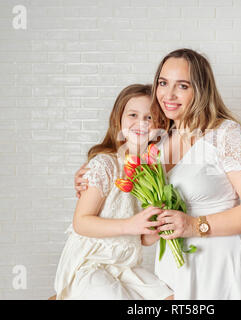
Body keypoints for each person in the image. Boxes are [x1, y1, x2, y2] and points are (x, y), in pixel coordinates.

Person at [75, 49, 241, 299]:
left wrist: (194, 225)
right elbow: (119, 163)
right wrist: (90, 173)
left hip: (218, 263)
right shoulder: (158, 138)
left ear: (201, 90)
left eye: (182, 86)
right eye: (163, 83)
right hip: (173, 266)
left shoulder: (224, 134)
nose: (168, 94)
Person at [54, 84, 173, 300]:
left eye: (149, 117)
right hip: (91, 265)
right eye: (133, 115)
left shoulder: (153, 171)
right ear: (119, 119)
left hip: (125, 266)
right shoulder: (106, 165)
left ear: (160, 125)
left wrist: (155, 229)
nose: (141, 123)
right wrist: (129, 225)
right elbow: (81, 222)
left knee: (169, 297)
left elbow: (142, 239)